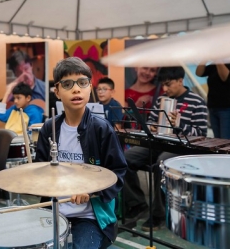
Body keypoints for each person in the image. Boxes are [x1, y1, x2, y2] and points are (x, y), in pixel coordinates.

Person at [35, 57, 127, 248]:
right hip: (54, 213)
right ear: (57, 91)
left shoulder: (102, 129)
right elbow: (40, 170)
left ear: (89, 87)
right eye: (68, 84)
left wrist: (92, 190)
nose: (76, 89)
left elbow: (118, 173)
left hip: (90, 217)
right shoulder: (49, 128)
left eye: (82, 83)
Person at [124, 66, 208, 231]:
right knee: (125, 158)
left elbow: (201, 135)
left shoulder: (197, 102)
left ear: (180, 81)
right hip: (158, 143)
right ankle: (138, 204)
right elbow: (151, 122)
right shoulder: (162, 99)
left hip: (183, 148)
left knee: (162, 163)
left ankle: (158, 215)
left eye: (168, 84)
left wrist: (179, 125)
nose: (165, 89)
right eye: (163, 85)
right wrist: (152, 127)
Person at [196, 63, 230, 139]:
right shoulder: (214, 66)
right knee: (217, 140)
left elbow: (225, 78)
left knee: (225, 140)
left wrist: (218, 59)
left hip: (227, 108)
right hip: (213, 107)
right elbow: (199, 73)